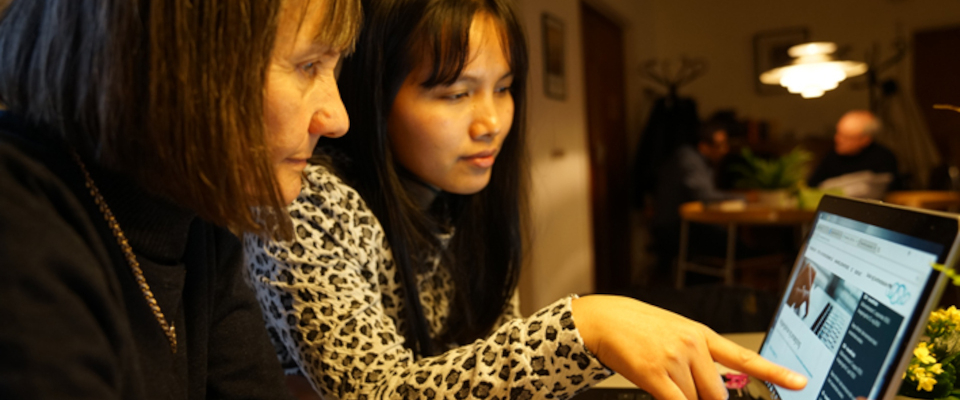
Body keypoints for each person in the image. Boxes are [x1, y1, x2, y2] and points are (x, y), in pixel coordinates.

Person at [244, 1, 807, 400]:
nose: (491, 122)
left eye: (505, 88)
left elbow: (488, 358)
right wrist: (581, 329)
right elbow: (381, 391)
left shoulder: (459, 193)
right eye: (455, 93)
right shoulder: (307, 200)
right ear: (375, 96)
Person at [0, 0, 359, 399]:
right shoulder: (20, 232)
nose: (337, 119)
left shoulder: (194, 229)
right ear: (178, 58)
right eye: (308, 65)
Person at [650, 121, 738, 277]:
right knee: (732, 244)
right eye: (720, 145)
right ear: (704, 146)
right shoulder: (688, 159)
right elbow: (705, 196)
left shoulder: (697, 160)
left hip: (685, 226)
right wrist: (744, 198)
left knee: (729, 239)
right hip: (674, 228)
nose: (725, 150)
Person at [807, 110, 900, 197]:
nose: (837, 139)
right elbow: (812, 187)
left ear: (865, 140)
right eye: (838, 133)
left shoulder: (883, 158)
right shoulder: (832, 156)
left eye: (846, 137)